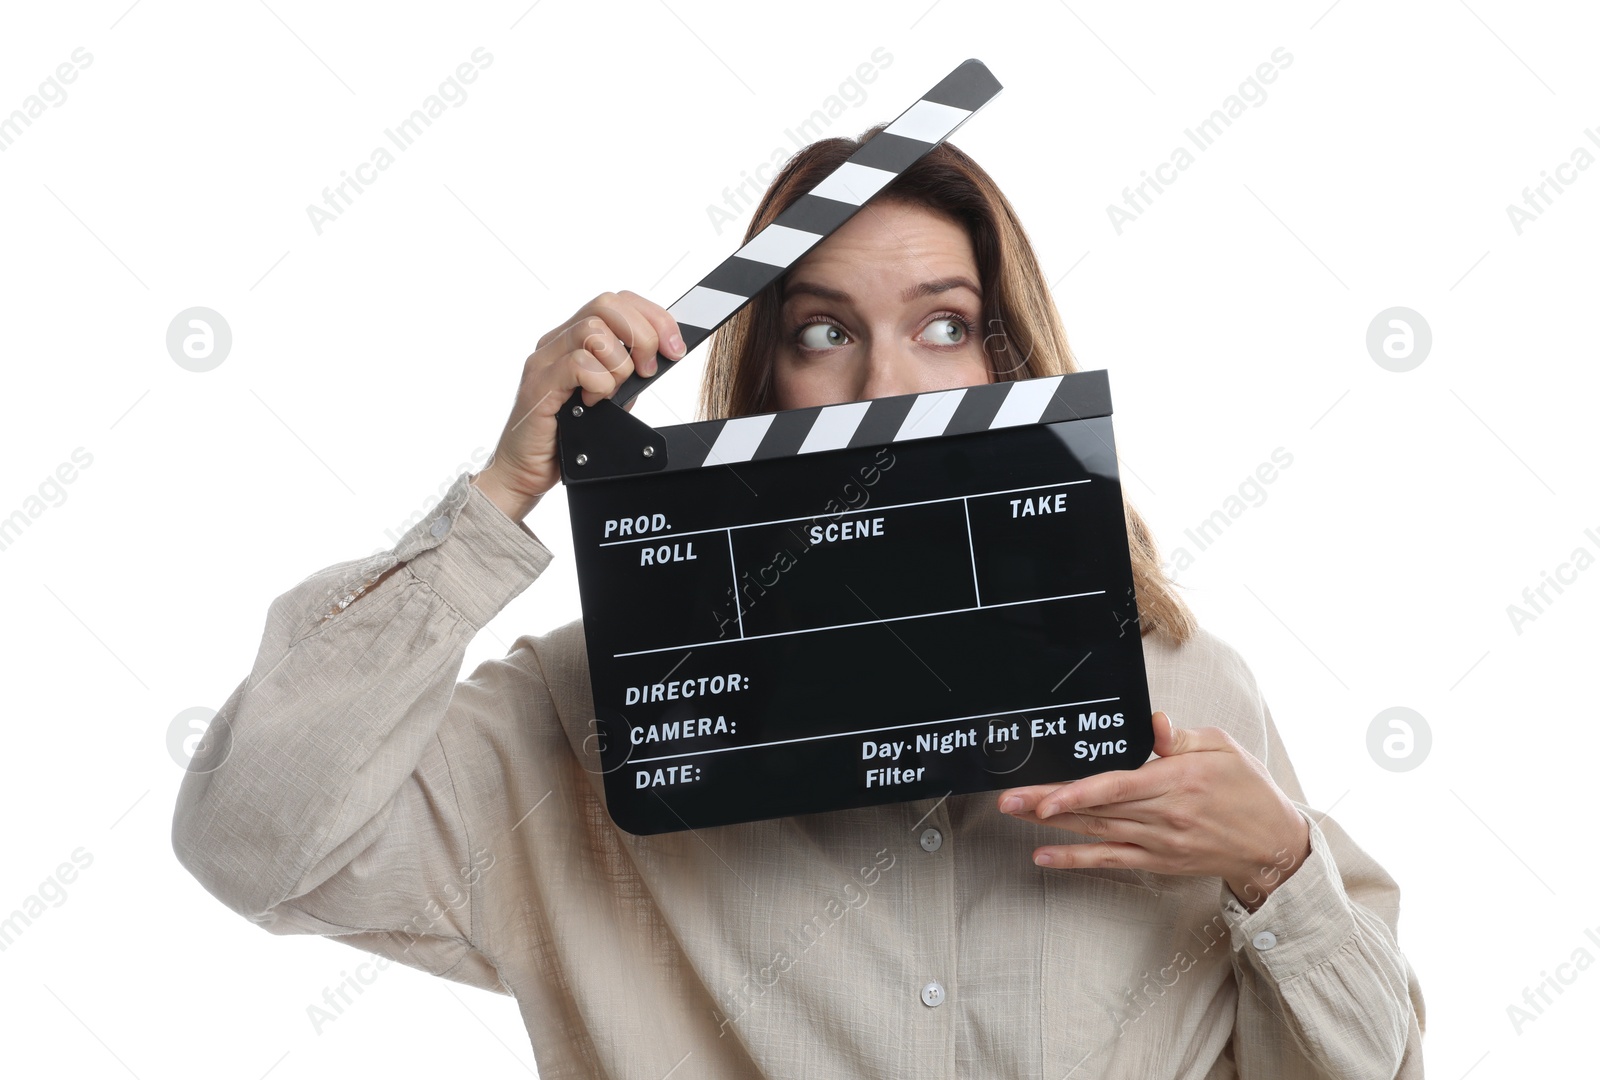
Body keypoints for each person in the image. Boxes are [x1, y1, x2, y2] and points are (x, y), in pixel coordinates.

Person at [172, 122, 1425, 1078]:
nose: (888, 385)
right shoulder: (583, 713)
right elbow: (253, 844)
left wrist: (1280, 868)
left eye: (943, 326)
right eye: (825, 333)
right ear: (761, 373)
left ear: (1006, 361)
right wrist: (502, 492)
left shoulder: (1181, 693)